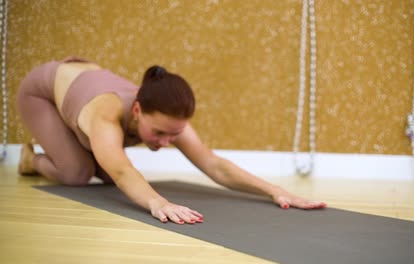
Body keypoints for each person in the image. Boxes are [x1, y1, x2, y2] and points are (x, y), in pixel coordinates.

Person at [16, 57, 327, 224]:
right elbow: (125, 170)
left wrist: (274, 190)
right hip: (42, 91)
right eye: (160, 133)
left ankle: (73, 151)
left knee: (107, 172)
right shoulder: (105, 115)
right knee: (77, 174)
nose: (166, 142)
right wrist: (158, 202)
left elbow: (214, 165)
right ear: (136, 111)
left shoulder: (168, 117)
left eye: (174, 134)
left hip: (84, 88)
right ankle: (32, 160)